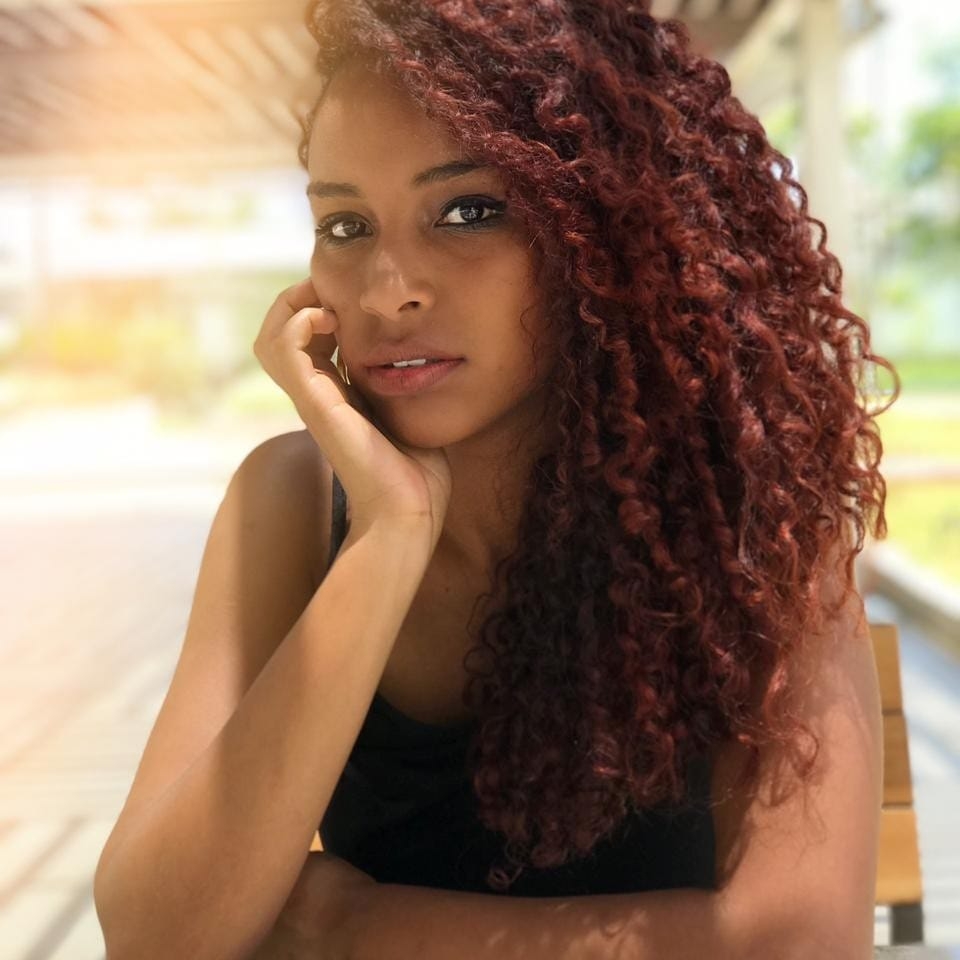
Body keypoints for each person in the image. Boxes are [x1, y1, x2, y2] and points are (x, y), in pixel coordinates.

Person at [94, 2, 899, 958]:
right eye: (345, 224)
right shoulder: (293, 502)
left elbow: (804, 942)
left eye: (469, 211)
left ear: (604, 232)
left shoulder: (750, 514)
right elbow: (152, 938)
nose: (388, 287)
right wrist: (389, 534)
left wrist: (351, 927)